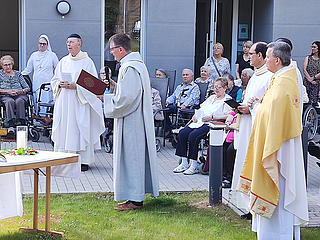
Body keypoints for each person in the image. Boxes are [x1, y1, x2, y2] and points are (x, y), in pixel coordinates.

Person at [238, 42, 308, 239]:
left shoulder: (283, 83)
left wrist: (254, 107)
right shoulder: (284, 77)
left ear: (277, 60)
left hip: (278, 151)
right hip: (281, 144)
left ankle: (276, 235)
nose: (265, 60)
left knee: (280, 192)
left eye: (267, 57)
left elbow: (270, 114)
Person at [104, 33, 159, 211]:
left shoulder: (129, 68)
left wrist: (104, 98)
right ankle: (133, 197)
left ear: (120, 49)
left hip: (131, 120)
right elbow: (129, 91)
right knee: (134, 158)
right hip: (135, 118)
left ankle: (135, 200)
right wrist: (115, 86)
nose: (111, 53)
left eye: (112, 50)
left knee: (132, 158)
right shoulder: (136, 65)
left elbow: (126, 99)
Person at [51, 33, 105, 175]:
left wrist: (77, 87)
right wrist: (59, 84)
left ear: (79, 44)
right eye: (67, 42)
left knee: (79, 127)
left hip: (79, 102)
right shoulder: (63, 61)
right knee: (65, 126)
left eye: (71, 42)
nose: (68, 44)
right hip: (65, 101)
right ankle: (63, 157)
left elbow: (94, 86)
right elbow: (54, 79)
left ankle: (82, 160)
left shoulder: (87, 62)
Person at [231, 42, 273, 218]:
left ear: (261, 56)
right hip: (247, 124)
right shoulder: (256, 75)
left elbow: (269, 104)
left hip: (257, 127)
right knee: (243, 163)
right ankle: (247, 205)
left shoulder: (270, 77)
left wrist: (252, 109)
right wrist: (240, 107)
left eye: (251, 53)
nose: (247, 56)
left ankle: (255, 206)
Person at [173, 77, 232, 175]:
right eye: (215, 87)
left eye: (219, 87)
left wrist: (212, 117)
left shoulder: (227, 100)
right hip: (199, 121)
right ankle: (184, 162)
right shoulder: (211, 97)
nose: (216, 89)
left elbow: (229, 115)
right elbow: (201, 108)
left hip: (211, 123)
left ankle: (194, 164)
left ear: (225, 88)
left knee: (193, 136)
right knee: (182, 133)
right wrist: (195, 115)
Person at [21, 34, 59, 106]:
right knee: (37, 100)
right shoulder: (34, 55)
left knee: (47, 101)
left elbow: (57, 70)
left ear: (47, 45)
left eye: (44, 44)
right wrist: (18, 76)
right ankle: (37, 117)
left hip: (48, 83)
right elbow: (28, 70)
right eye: (40, 43)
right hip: (37, 83)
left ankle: (46, 117)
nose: (42, 45)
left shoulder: (52, 55)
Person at [0, 55, 30, 134]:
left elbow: (27, 88)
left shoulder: (18, 74)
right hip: (5, 96)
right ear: (2, 66)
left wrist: (19, 91)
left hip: (20, 95)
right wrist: (8, 92)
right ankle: (11, 125)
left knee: (19, 100)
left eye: (9, 64)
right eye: (5, 65)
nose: (8, 66)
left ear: (12, 64)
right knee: (9, 101)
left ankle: (22, 123)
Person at [164, 69, 200, 134]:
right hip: (177, 106)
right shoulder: (179, 87)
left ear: (192, 76)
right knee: (164, 110)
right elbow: (173, 96)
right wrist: (167, 101)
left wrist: (184, 105)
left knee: (183, 112)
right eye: (183, 75)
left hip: (188, 107)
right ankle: (169, 131)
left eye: (187, 75)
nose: (185, 76)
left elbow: (192, 98)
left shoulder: (195, 87)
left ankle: (181, 131)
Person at [303, 41, 320, 106]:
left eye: (314, 47)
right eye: (312, 47)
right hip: (307, 82)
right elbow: (304, 69)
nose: (312, 48)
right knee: (306, 100)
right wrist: (309, 79)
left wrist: (313, 78)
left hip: (316, 83)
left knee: (314, 102)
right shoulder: (308, 58)